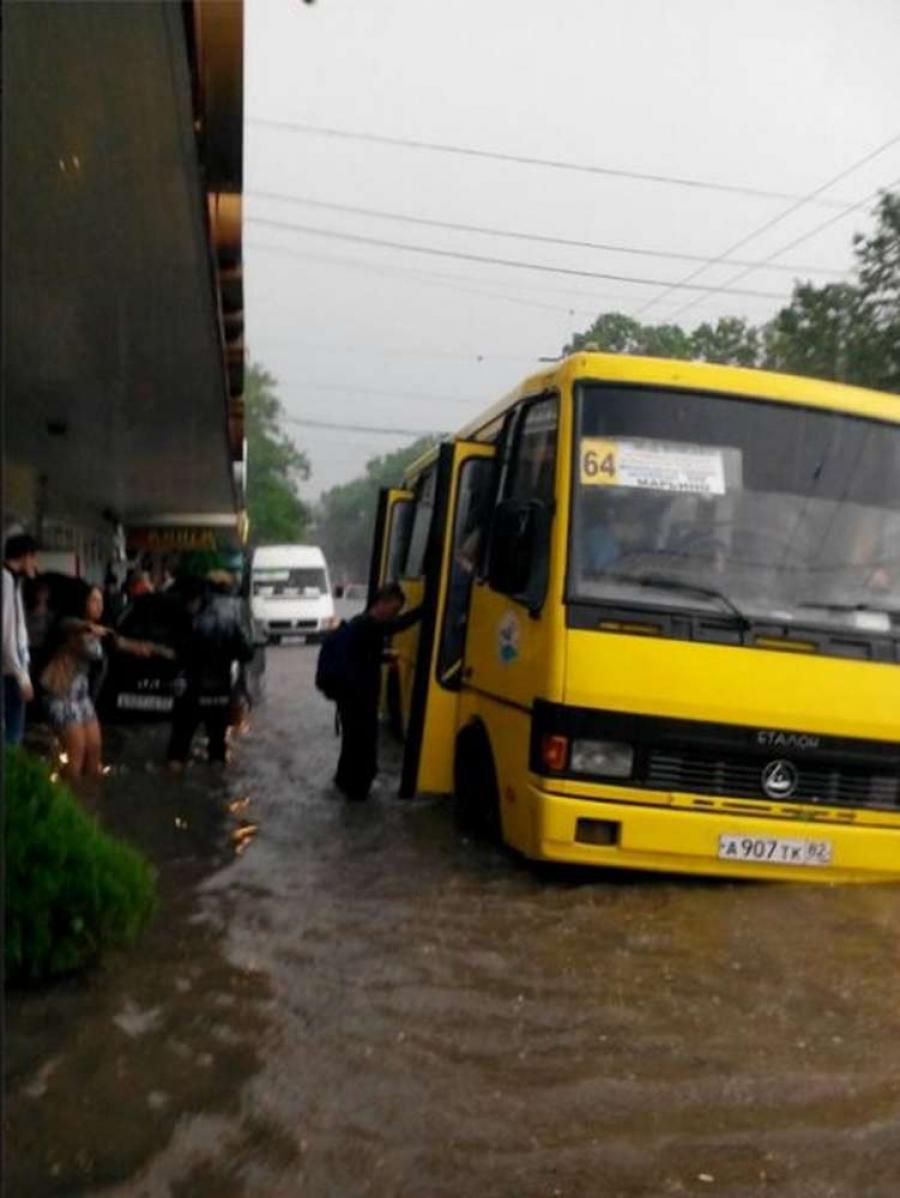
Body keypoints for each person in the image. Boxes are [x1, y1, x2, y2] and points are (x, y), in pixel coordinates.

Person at [39, 582, 169, 781]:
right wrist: (88, 627)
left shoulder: (103, 633)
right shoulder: (71, 628)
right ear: (81, 603)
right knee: (76, 750)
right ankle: (67, 802)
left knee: (95, 749)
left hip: (82, 698)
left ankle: (90, 800)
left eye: (101, 600)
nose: (99, 605)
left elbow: (125, 644)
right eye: (93, 600)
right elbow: (68, 623)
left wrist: (157, 650)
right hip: (60, 694)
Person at [332, 582, 422, 801]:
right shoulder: (369, 625)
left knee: (352, 744)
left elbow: (363, 654)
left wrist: (385, 657)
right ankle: (357, 793)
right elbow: (397, 626)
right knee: (362, 745)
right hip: (358, 699)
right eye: (393, 610)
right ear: (383, 603)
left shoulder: (358, 623)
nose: (393, 615)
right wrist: (426, 608)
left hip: (349, 697)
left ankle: (345, 785)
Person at [167, 577, 253, 771]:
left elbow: (175, 655)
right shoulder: (228, 622)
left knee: (178, 748)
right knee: (217, 747)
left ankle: (173, 789)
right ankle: (217, 789)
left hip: (190, 694)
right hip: (219, 694)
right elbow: (247, 653)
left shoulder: (183, 623)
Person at [3, 533, 39, 745]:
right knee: (13, 733)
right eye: (33, 557)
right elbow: (8, 634)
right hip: (10, 671)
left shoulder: (15, 581)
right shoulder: (7, 581)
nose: (35, 563)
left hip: (13, 668)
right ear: (25, 556)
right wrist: (22, 676)